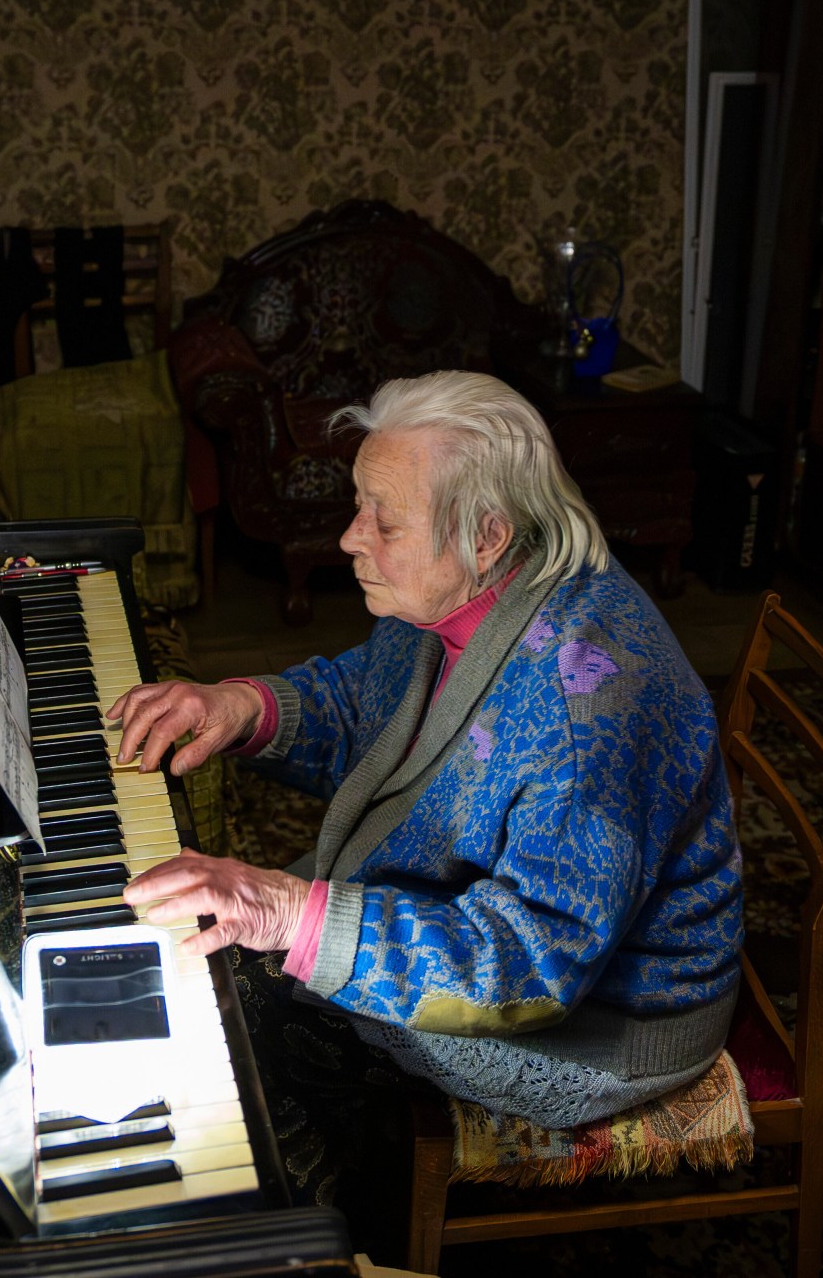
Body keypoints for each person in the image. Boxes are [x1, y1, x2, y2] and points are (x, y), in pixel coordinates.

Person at [107, 370, 743, 1196]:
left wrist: (292, 912)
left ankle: (325, 1231)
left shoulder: (585, 711)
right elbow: (371, 706)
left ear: (487, 535)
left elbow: (532, 968)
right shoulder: (466, 589)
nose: (350, 538)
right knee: (221, 963)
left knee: (236, 1017)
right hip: (486, 928)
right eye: (358, 506)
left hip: (598, 1019)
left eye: (384, 521)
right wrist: (244, 706)